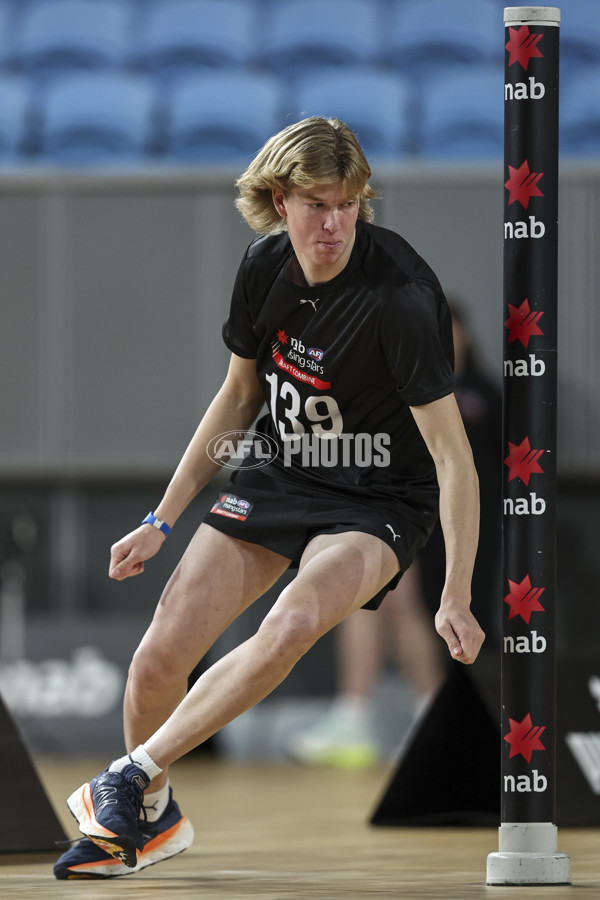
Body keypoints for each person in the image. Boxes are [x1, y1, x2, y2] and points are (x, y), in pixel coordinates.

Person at [53, 116, 484, 880]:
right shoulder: (263, 269)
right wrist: (161, 518)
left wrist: (456, 590)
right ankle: (149, 818)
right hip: (282, 474)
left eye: (349, 204)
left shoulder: (402, 298)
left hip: (380, 493)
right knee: (157, 659)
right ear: (280, 201)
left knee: (292, 622)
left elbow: (454, 457)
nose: (335, 223)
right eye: (317, 203)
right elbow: (237, 397)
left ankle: (126, 777)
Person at [284, 304, 502, 768]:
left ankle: (421, 719)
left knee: (406, 606)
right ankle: (379, 717)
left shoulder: (481, 398)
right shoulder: (401, 391)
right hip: (404, 516)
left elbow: (470, 470)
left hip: (457, 530)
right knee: (371, 599)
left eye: (450, 334)